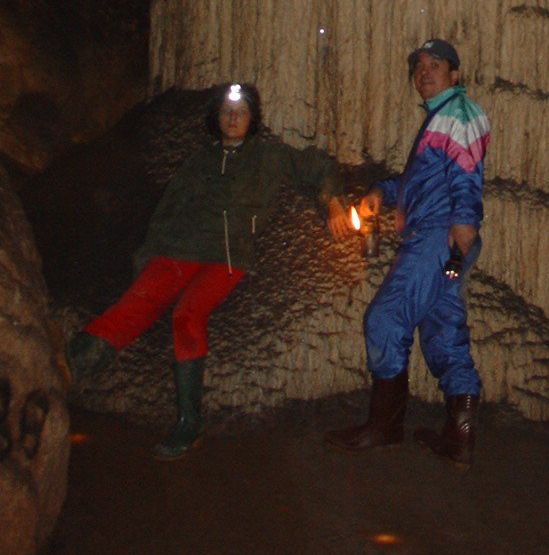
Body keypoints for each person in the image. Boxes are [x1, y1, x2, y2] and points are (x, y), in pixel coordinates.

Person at [65, 82, 350, 459]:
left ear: (252, 119)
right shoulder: (197, 163)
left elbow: (317, 165)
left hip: (227, 255)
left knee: (188, 314)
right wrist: (148, 256)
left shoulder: (268, 156)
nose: (233, 118)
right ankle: (60, 372)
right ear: (217, 119)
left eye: (241, 111)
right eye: (227, 112)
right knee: (133, 305)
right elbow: (167, 211)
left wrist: (332, 199)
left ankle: (189, 422)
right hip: (176, 249)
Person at [325, 38, 490, 470]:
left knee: (385, 318)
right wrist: (382, 191)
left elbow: (468, 169)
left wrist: (464, 222)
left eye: (435, 64)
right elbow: (419, 183)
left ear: (454, 75)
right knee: (443, 330)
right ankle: (460, 439)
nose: (424, 71)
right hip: (442, 237)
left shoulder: (459, 113)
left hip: (439, 236)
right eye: (418, 66)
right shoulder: (437, 120)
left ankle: (385, 426)